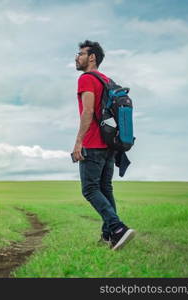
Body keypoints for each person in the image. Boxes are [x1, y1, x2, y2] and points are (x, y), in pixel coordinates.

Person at [72, 40, 135, 251]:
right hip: (110, 145)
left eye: (80, 54)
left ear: (92, 58)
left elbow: (87, 111)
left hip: (93, 143)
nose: (76, 57)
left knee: (90, 189)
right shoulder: (107, 80)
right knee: (105, 189)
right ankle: (109, 236)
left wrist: (79, 142)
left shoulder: (87, 79)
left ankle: (117, 228)